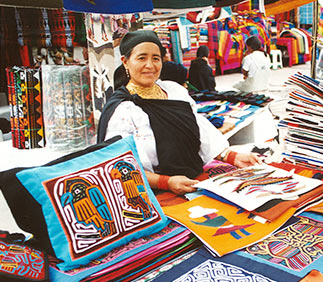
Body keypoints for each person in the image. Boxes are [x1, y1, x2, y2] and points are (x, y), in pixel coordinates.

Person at [97, 30, 260, 195]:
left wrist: (232, 156)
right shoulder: (123, 110)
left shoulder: (174, 90)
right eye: (141, 58)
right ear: (125, 62)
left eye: (156, 58)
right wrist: (166, 182)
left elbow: (198, 128)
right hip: (155, 192)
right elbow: (119, 166)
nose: (150, 65)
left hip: (194, 180)